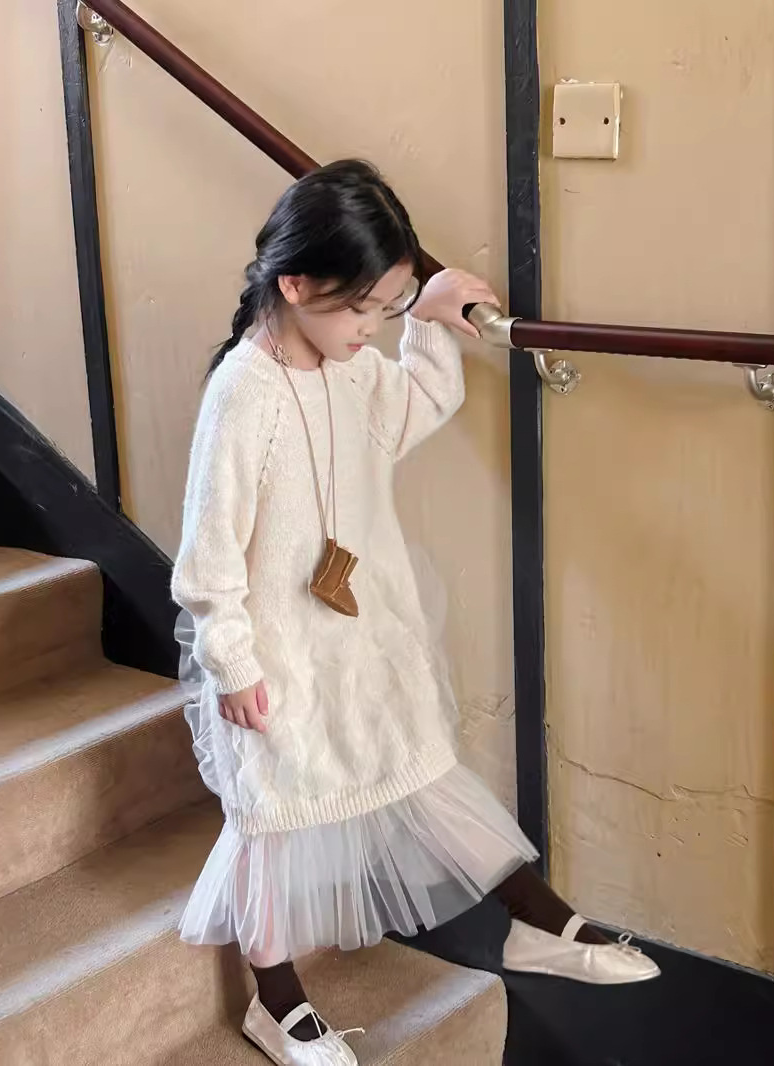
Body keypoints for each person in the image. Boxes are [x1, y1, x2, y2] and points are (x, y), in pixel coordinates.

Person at [172, 159, 659, 1066]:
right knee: (272, 820)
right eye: (365, 309)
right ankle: (278, 1004)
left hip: (363, 633)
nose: (373, 329)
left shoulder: (354, 370)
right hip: (278, 654)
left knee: (420, 766)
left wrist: (428, 323)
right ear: (296, 285)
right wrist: (232, 663)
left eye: (388, 308)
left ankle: (535, 917)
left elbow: (417, 405)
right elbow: (208, 554)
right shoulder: (243, 394)